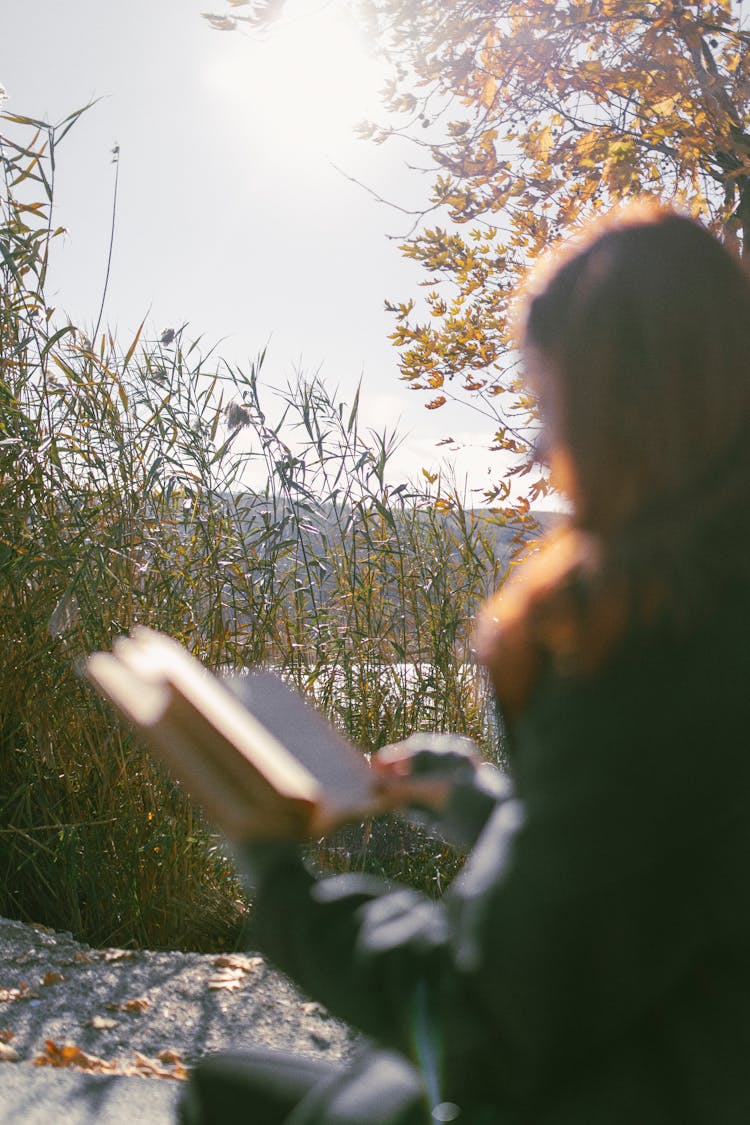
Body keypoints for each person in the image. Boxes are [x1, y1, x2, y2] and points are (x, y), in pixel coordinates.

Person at [178, 202, 750, 1124]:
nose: (538, 445)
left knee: (228, 1094)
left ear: (624, 415)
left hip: (613, 1084)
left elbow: (483, 1020)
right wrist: (473, 797)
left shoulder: (648, 642)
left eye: (551, 404)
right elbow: (643, 868)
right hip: (676, 1055)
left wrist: (280, 878)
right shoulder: (715, 610)